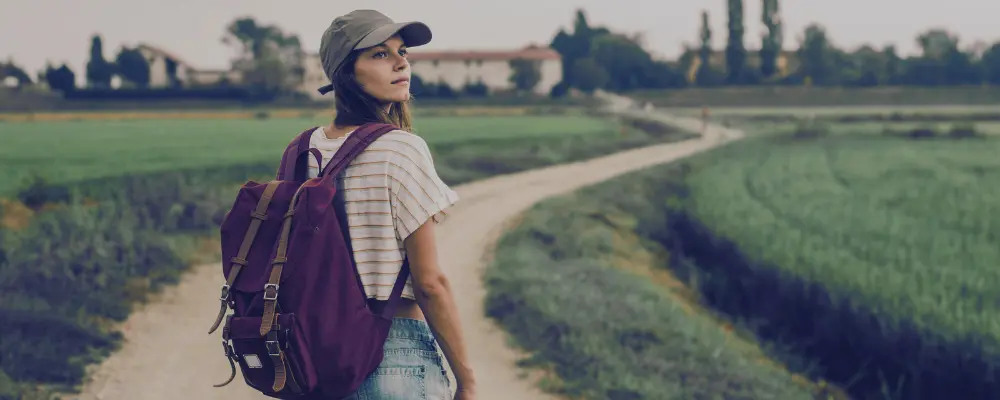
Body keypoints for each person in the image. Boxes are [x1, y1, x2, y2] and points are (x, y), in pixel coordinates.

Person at [309, 9, 475, 399]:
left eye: (402, 52)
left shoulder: (304, 149)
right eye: (380, 54)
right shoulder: (401, 148)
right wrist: (467, 381)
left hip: (319, 359)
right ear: (347, 72)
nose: (402, 62)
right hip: (392, 355)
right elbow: (430, 283)